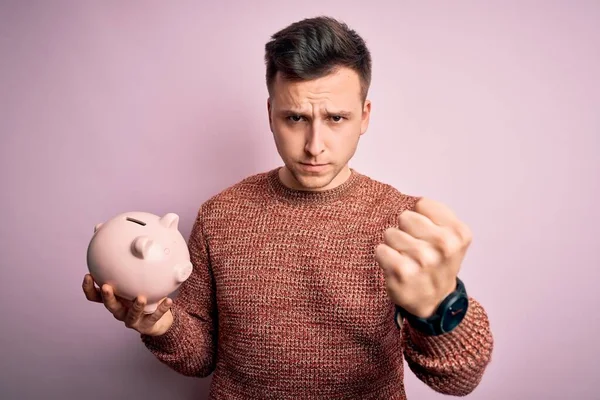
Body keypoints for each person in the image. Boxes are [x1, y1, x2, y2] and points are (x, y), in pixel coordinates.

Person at [82, 15, 494, 399]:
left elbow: (459, 379)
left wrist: (440, 306)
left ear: (364, 116)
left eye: (336, 118)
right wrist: (157, 322)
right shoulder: (219, 215)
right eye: (295, 118)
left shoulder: (403, 221)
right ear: (270, 113)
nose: (315, 146)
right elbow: (202, 358)